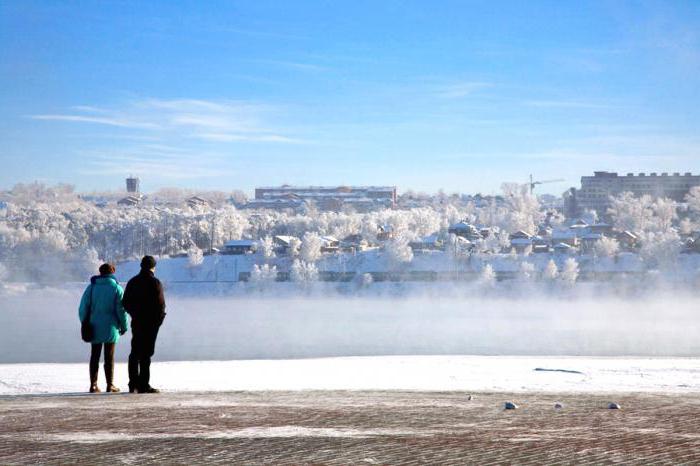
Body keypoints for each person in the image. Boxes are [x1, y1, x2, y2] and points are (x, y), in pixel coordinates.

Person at [78, 263, 129, 393]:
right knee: (109, 356)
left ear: (100, 273)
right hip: (111, 327)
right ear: (112, 273)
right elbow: (121, 310)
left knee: (94, 355)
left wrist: (84, 322)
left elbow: (83, 307)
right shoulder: (117, 288)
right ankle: (110, 384)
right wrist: (124, 326)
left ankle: (93, 385)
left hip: (94, 325)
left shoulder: (91, 287)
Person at [123, 255, 166, 394]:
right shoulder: (155, 283)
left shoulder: (132, 282)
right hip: (151, 323)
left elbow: (125, 302)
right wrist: (158, 321)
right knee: (146, 354)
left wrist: (134, 314)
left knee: (135, 352)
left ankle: (132, 383)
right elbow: (160, 305)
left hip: (137, 321)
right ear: (153, 267)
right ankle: (143, 384)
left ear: (141, 266)